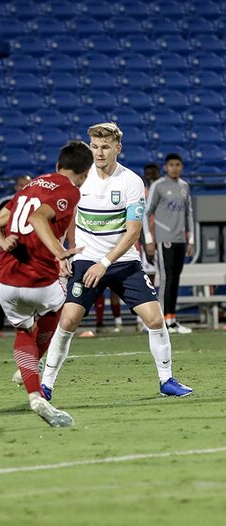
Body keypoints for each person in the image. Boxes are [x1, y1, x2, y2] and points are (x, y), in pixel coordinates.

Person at [41, 123, 193, 400]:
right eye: (94, 147)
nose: (99, 153)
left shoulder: (131, 182)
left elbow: (133, 231)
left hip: (123, 261)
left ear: (117, 148)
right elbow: (67, 217)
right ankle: (46, 384)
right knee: (69, 319)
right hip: (87, 259)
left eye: (105, 147)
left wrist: (106, 262)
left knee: (155, 319)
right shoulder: (80, 179)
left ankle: (166, 380)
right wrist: (63, 252)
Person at [0, 141, 93, 427]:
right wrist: (60, 253)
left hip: (5, 279)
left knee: (23, 332)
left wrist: (3, 241)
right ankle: (31, 365)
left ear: (57, 165)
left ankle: (34, 394)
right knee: (61, 316)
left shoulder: (29, 186)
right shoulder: (70, 189)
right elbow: (38, 218)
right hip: (39, 277)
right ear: (86, 172)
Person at [143, 153, 195, 334]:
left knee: (175, 280)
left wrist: (192, 239)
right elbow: (145, 213)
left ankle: (172, 320)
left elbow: (189, 213)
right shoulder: (158, 186)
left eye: (178, 164)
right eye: (171, 164)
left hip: (180, 239)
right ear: (165, 167)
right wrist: (149, 239)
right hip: (164, 240)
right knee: (166, 279)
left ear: (181, 167)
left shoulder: (184, 186)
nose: (174, 168)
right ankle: (163, 321)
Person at [0, 174, 32, 338]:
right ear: (16, 187)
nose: (24, 187)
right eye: (21, 185)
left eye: (27, 184)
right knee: (5, 289)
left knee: (32, 289)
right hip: (10, 251)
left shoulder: (35, 199)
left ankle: (29, 325)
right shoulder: (7, 202)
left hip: (30, 251)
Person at [136, 163, 161, 331]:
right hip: (148, 241)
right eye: (147, 173)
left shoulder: (162, 190)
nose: (150, 176)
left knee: (164, 280)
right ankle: (144, 319)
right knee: (147, 280)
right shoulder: (142, 193)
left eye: (153, 173)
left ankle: (163, 315)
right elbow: (141, 220)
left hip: (165, 239)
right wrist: (146, 243)